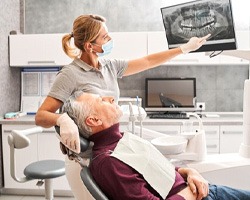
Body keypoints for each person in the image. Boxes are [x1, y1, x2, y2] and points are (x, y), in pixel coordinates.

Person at [35, 14, 210, 199]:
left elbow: (148, 61)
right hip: (88, 159)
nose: (110, 40)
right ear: (89, 46)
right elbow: (41, 116)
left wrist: (182, 49)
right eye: (105, 37)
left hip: (112, 150)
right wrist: (62, 119)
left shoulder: (109, 66)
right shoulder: (70, 74)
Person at [62, 91, 250, 200]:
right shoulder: (108, 162)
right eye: (101, 100)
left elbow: (156, 167)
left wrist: (190, 172)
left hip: (199, 189)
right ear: (94, 120)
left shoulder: (121, 139)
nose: (111, 98)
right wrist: (190, 195)